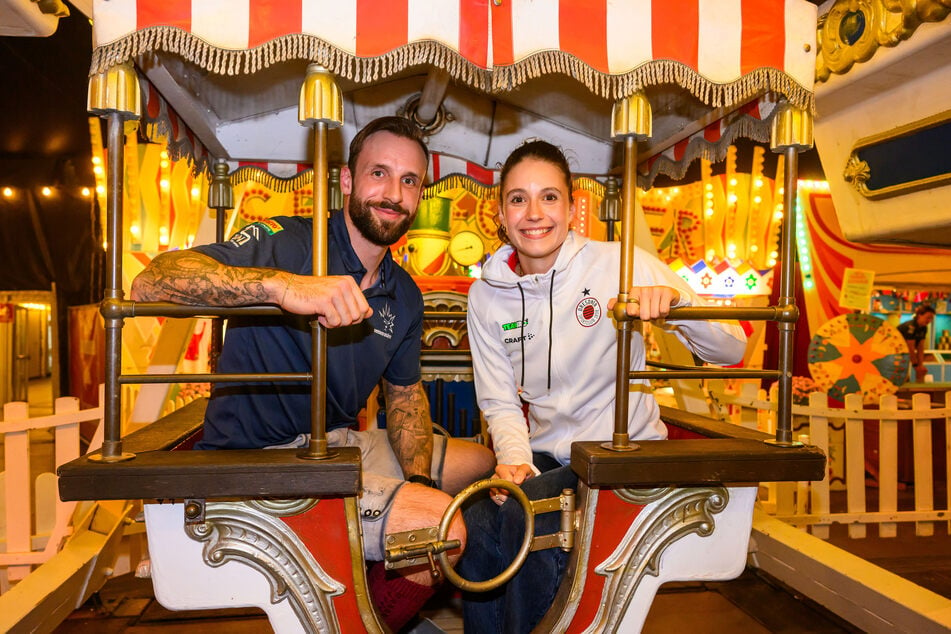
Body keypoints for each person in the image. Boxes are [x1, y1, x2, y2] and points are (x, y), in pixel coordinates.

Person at [130, 116, 495, 631]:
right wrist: (280, 287)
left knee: (479, 461)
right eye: (379, 174)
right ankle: (370, 621)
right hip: (260, 459)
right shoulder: (288, 242)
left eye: (409, 181)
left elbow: (407, 398)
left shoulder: (405, 293)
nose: (393, 193)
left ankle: (378, 588)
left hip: (337, 442)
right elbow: (152, 282)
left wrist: (415, 481)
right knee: (444, 527)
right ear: (347, 181)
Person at [458, 140, 747, 633]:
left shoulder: (620, 264)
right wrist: (515, 461)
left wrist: (677, 305)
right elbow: (499, 399)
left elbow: (732, 349)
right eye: (518, 199)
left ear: (572, 209)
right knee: (479, 522)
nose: (534, 213)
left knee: (531, 514)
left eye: (549, 197)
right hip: (550, 456)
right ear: (500, 214)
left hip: (622, 453)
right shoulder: (487, 296)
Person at [898, 303, 935, 382]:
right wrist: (916, 366)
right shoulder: (910, 326)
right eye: (928, 318)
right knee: (901, 380)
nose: (929, 321)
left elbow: (920, 348)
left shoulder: (923, 328)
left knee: (915, 376)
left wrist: (921, 365)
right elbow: (910, 348)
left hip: (905, 356)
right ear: (919, 315)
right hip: (895, 356)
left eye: (931, 319)